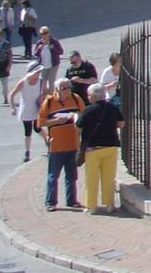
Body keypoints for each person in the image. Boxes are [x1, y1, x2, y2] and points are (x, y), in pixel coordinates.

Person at [37, 77, 86, 210]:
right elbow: (40, 123)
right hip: (56, 146)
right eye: (64, 88)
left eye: (69, 87)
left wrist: (77, 118)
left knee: (72, 175)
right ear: (57, 90)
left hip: (73, 144)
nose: (67, 91)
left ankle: (72, 200)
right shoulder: (48, 102)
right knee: (53, 176)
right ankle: (50, 202)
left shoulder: (76, 99)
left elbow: (84, 115)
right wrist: (56, 121)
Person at [77, 83, 123, 215]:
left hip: (93, 149)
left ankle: (91, 206)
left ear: (94, 96)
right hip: (111, 147)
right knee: (109, 177)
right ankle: (109, 204)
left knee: (92, 178)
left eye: (89, 95)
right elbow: (121, 123)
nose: (88, 97)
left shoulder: (88, 110)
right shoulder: (113, 108)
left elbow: (78, 128)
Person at [9, 64, 44, 163]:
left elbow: (46, 92)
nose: (38, 74)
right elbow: (12, 94)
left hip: (37, 108)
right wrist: (13, 108)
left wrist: (43, 98)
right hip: (26, 109)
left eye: (39, 72)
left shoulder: (41, 81)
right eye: (37, 72)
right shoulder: (23, 82)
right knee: (27, 131)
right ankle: (27, 152)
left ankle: (47, 141)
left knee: (37, 128)